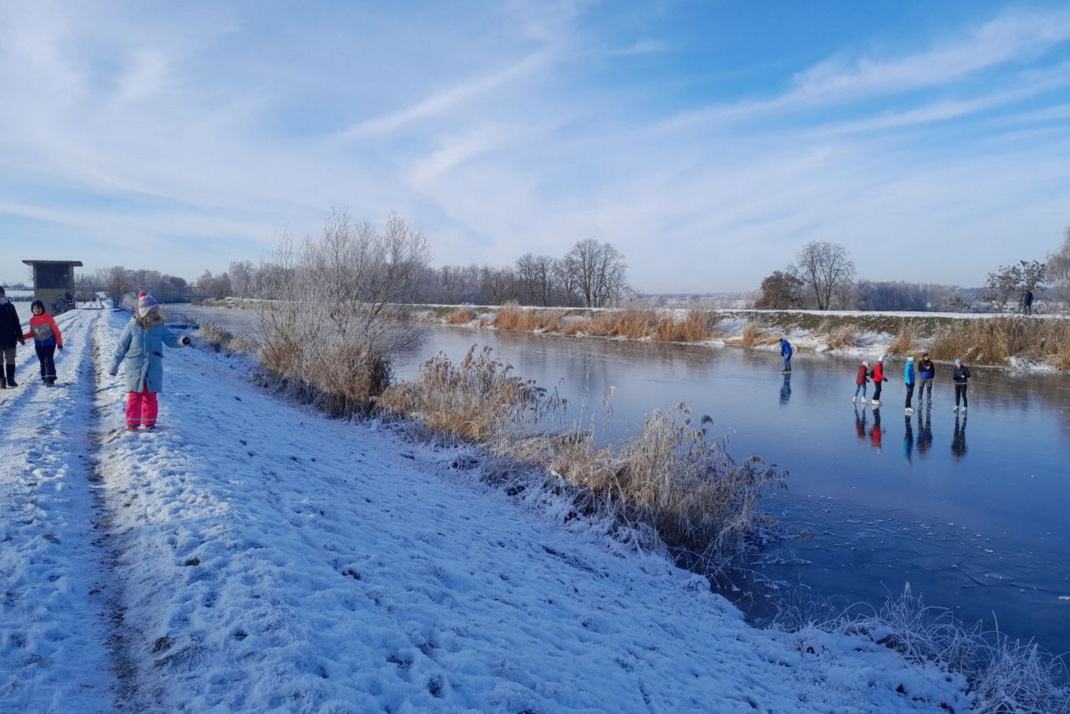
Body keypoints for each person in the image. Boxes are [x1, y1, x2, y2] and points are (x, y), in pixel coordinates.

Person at [108, 292, 192, 431]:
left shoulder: (159, 327)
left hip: (153, 368)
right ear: (144, 312)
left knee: (151, 396)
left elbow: (171, 341)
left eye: (156, 311)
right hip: (135, 368)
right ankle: (132, 424)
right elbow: (121, 348)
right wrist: (113, 367)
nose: (156, 314)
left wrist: (182, 341)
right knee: (135, 396)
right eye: (152, 312)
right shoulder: (132, 327)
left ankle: (150, 423)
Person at [23, 299, 63, 386]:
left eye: (39, 307)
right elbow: (32, 333)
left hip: (49, 343)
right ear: (32, 310)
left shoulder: (48, 318)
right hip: (38, 345)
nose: (37, 309)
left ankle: (50, 379)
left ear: (42, 308)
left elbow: (57, 332)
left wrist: (59, 344)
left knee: (48, 360)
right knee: (42, 362)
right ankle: (45, 378)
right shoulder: (32, 320)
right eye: (35, 308)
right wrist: (23, 337)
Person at [0, 286, 26, 388]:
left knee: (10, 360)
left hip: (10, 338)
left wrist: (20, 336)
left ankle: (11, 379)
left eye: (1, 293)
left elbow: (16, 322)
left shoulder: (10, 307)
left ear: (4, 294)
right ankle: (2, 380)